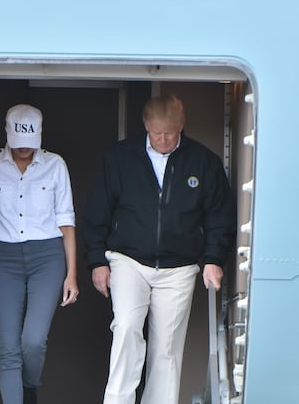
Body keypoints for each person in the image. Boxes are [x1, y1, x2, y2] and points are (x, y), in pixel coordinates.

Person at [82, 94, 236, 404]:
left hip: (179, 267)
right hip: (128, 260)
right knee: (125, 328)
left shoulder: (203, 162)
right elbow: (97, 211)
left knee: (166, 348)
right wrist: (97, 260)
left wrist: (213, 259)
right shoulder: (121, 158)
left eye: (168, 132)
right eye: (155, 133)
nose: (162, 139)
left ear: (181, 125)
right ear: (145, 126)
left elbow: (220, 216)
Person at [0, 104, 79, 404]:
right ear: (7, 135)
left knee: (33, 341)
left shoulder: (55, 165)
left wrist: (72, 274)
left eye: (30, 141)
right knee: (8, 347)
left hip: (47, 256)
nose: (24, 148)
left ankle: (30, 388)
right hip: (4, 257)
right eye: (19, 141)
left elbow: (66, 220)